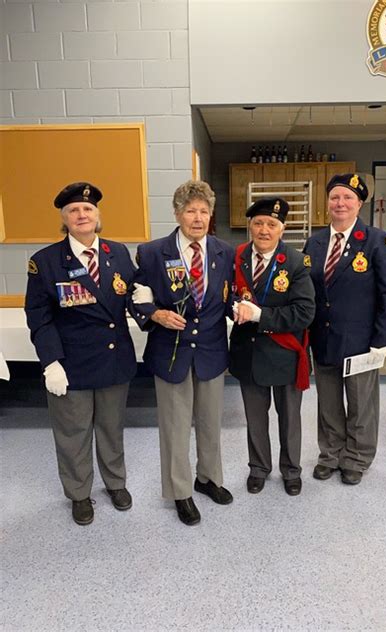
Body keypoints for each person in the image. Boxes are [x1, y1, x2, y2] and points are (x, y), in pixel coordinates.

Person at [25, 182, 136, 525]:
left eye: (88, 209)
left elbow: (132, 296)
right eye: (74, 210)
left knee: (111, 427)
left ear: (97, 215)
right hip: (71, 364)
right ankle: (79, 493)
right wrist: (51, 362)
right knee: (73, 433)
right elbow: (39, 317)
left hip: (114, 359)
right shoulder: (44, 262)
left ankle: (115, 483)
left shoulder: (118, 253)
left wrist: (149, 301)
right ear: (65, 219)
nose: (82, 214)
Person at [128, 180, 234, 526]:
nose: (198, 218)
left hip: (212, 352)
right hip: (170, 352)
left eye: (204, 211)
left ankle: (207, 478)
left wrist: (243, 308)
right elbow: (137, 296)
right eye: (191, 211)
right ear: (177, 213)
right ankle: (180, 491)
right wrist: (155, 314)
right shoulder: (151, 252)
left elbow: (230, 296)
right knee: (175, 427)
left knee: (209, 422)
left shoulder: (224, 252)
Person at [303, 174, 386, 485]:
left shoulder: (375, 241)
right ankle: (330, 454)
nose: (340, 203)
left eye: (347, 198)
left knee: (361, 405)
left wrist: (382, 339)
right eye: (335, 197)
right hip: (324, 338)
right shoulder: (314, 243)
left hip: (361, 341)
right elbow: (308, 293)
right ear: (327, 203)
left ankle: (356, 458)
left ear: (359, 203)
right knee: (328, 404)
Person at [229, 197, 315, 496]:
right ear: (250, 226)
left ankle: (291, 470)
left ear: (283, 228)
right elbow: (226, 295)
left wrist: (260, 315)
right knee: (255, 417)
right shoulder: (237, 256)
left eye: (271, 224)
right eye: (258, 223)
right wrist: (235, 308)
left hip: (284, 353)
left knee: (289, 418)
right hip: (248, 352)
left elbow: (305, 312)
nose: (264, 230)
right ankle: (258, 468)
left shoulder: (295, 262)